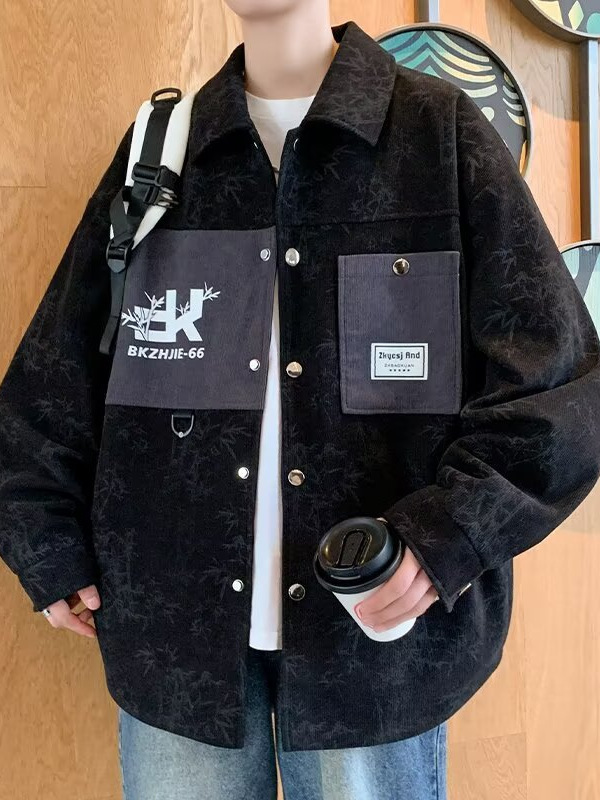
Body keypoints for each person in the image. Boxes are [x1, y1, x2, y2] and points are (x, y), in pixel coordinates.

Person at [1, 3, 599, 800]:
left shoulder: (437, 134)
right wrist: (45, 545)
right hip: (175, 643)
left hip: (375, 652)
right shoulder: (163, 150)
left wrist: (447, 536)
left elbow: (561, 388)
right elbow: (56, 372)